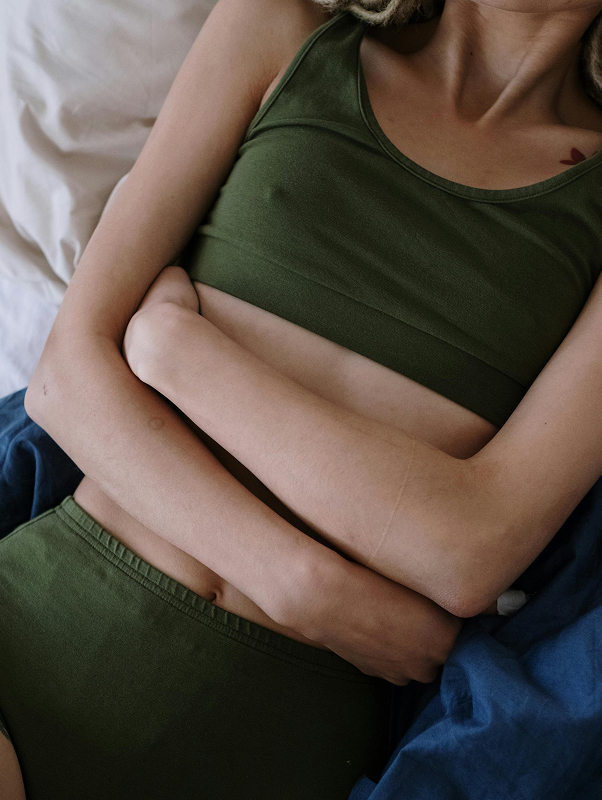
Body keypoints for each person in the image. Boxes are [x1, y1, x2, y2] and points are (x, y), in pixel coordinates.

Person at [2, 0, 602, 796]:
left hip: (269, 746)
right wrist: (309, 589)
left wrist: (177, 352)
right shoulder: (282, 29)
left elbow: (471, 548)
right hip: (37, 632)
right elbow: (66, 381)